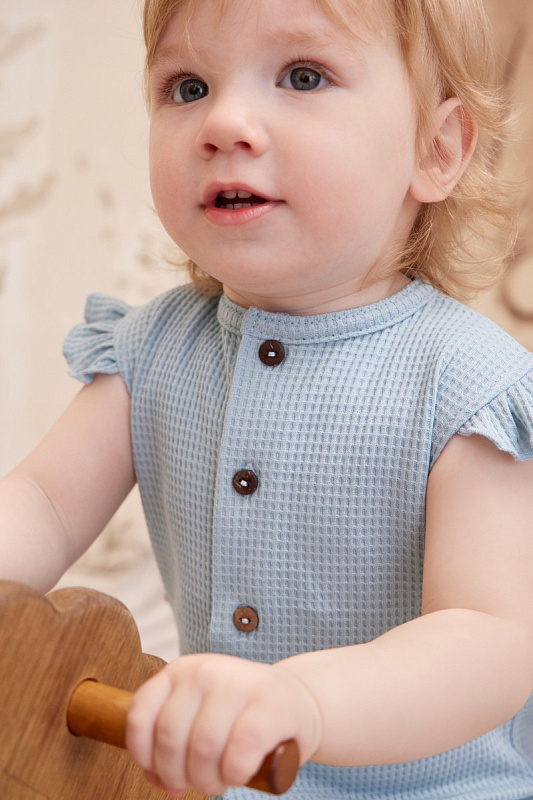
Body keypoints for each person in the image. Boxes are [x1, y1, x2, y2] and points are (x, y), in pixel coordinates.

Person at [2, 0, 533, 797]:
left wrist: (305, 702)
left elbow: (488, 639)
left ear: (435, 149)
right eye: (188, 87)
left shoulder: (467, 384)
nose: (224, 123)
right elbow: (43, 504)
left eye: (303, 76)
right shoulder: (153, 348)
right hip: (219, 780)